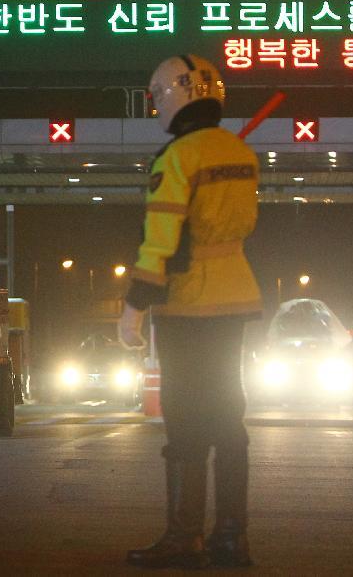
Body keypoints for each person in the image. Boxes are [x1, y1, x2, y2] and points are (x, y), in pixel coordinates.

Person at [118, 54, 263, 569]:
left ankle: (184, 537)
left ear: (171, 96)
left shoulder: (176, 157)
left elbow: (161, 240)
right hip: (236, 297)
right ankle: (232, 537)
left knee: (184, 424)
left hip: (186, 305)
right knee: (228, 419)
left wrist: (133, 308)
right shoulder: (241, 153)